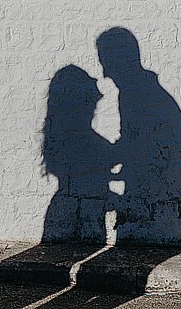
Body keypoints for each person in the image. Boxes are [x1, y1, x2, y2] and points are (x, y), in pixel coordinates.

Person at [96, 28, 181, 245]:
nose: (105, 73)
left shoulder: (136, 94)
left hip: (159, 209)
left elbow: (141, 149)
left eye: (106, 62)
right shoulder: (139, 91)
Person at [41, 64, 113, 242]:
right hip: (78, 218)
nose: (98, 99)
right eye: (90, 97)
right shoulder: (88, 142)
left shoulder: (57, 137)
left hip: (73, 214)